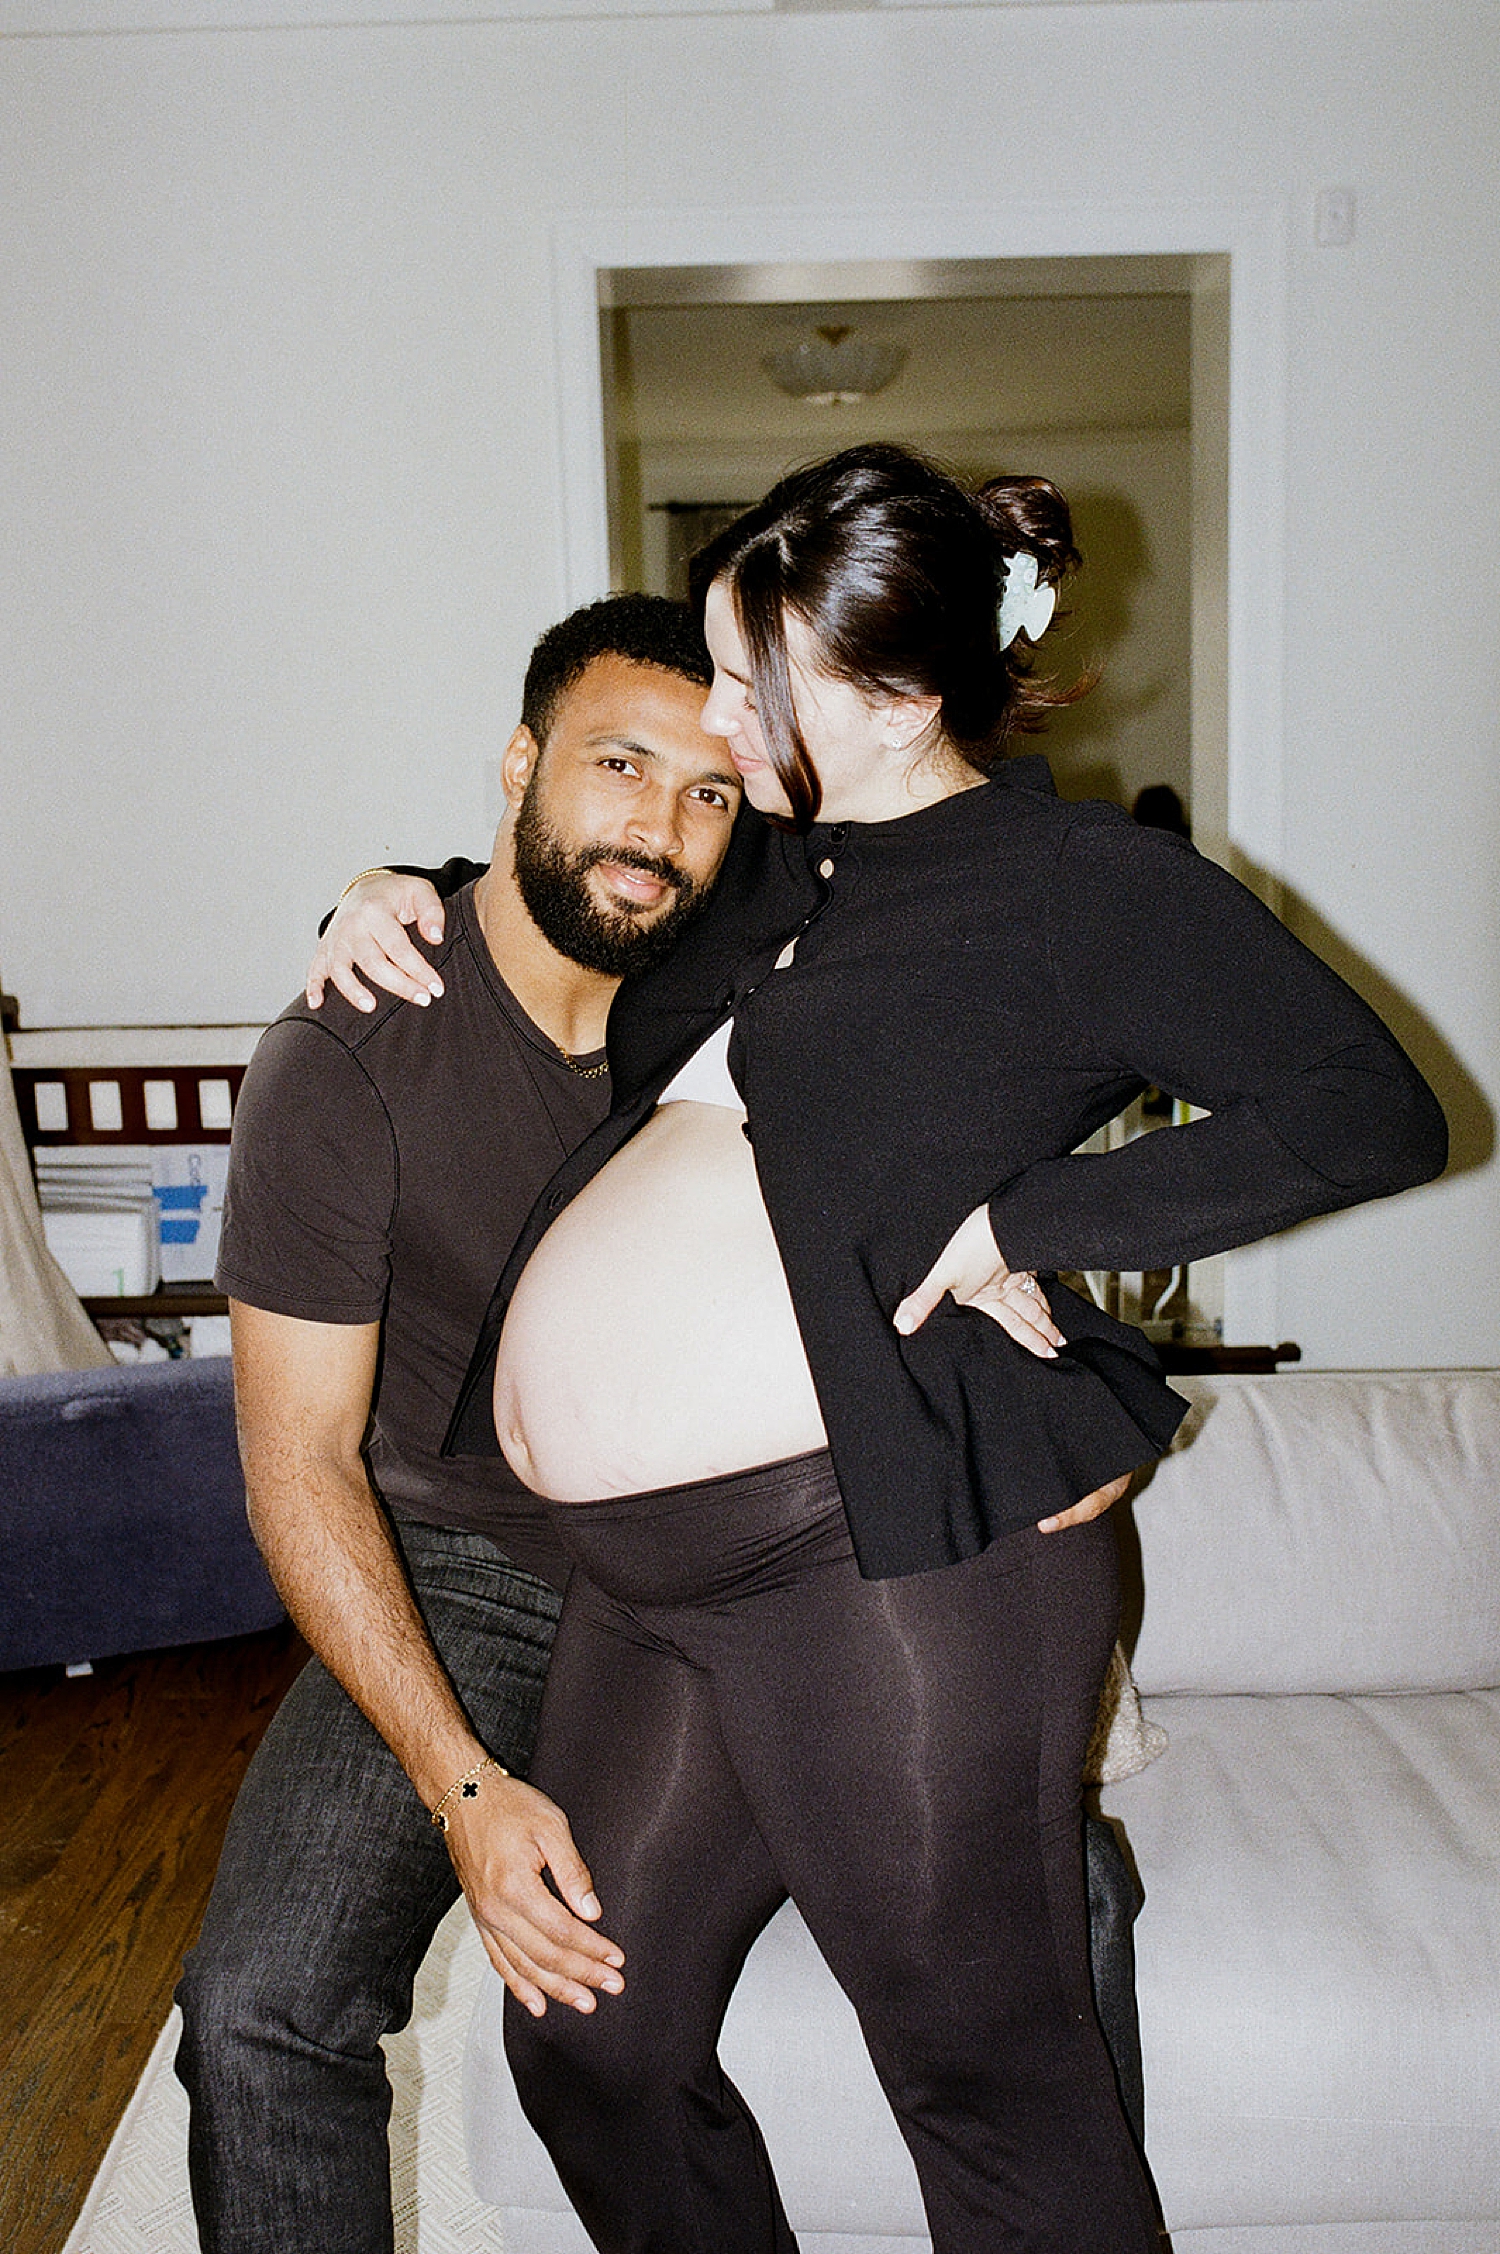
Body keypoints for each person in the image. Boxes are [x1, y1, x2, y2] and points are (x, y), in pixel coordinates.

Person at [330, 444, 1447, 2254]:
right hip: (642, 1577)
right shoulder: (778, 868)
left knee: (986, 2084)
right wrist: (400, 887)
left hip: (878, 1562)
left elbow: (1368, 1109)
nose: (713, 714)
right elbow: (598, 891)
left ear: (897, 692)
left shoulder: (1079, 882)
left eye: (741, 675)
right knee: (594, 2041)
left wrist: (1033, 1222)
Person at [172, 595, 742, 2254]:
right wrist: (466, 1785)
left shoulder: (745, 1009)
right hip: (466, 1567)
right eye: (618, 765)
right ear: (518, 762)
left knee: (1041, 1894)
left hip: (712, 1563)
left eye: (708, 791)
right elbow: (296, 1461)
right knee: (260, 2005)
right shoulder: (348, 1056)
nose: (658, 825)